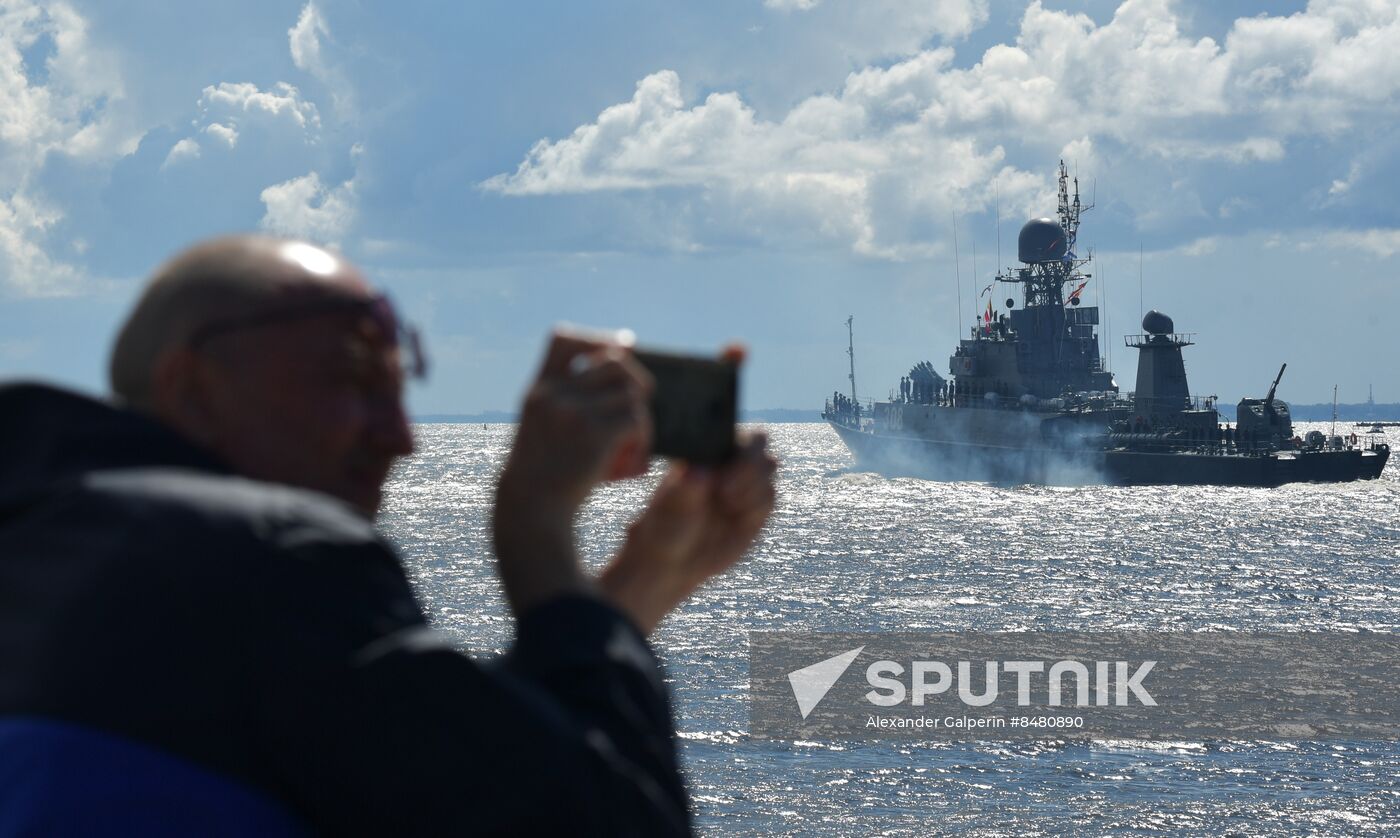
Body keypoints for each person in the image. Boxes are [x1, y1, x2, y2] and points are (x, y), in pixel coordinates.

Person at [0, 236, 777, 835]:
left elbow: (458, 782)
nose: (400, 438)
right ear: (190, 386)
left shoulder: (52, 545)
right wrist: (535, 528)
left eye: (401, 390)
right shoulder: (278, 561)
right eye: (356, 381)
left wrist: (640, 586)